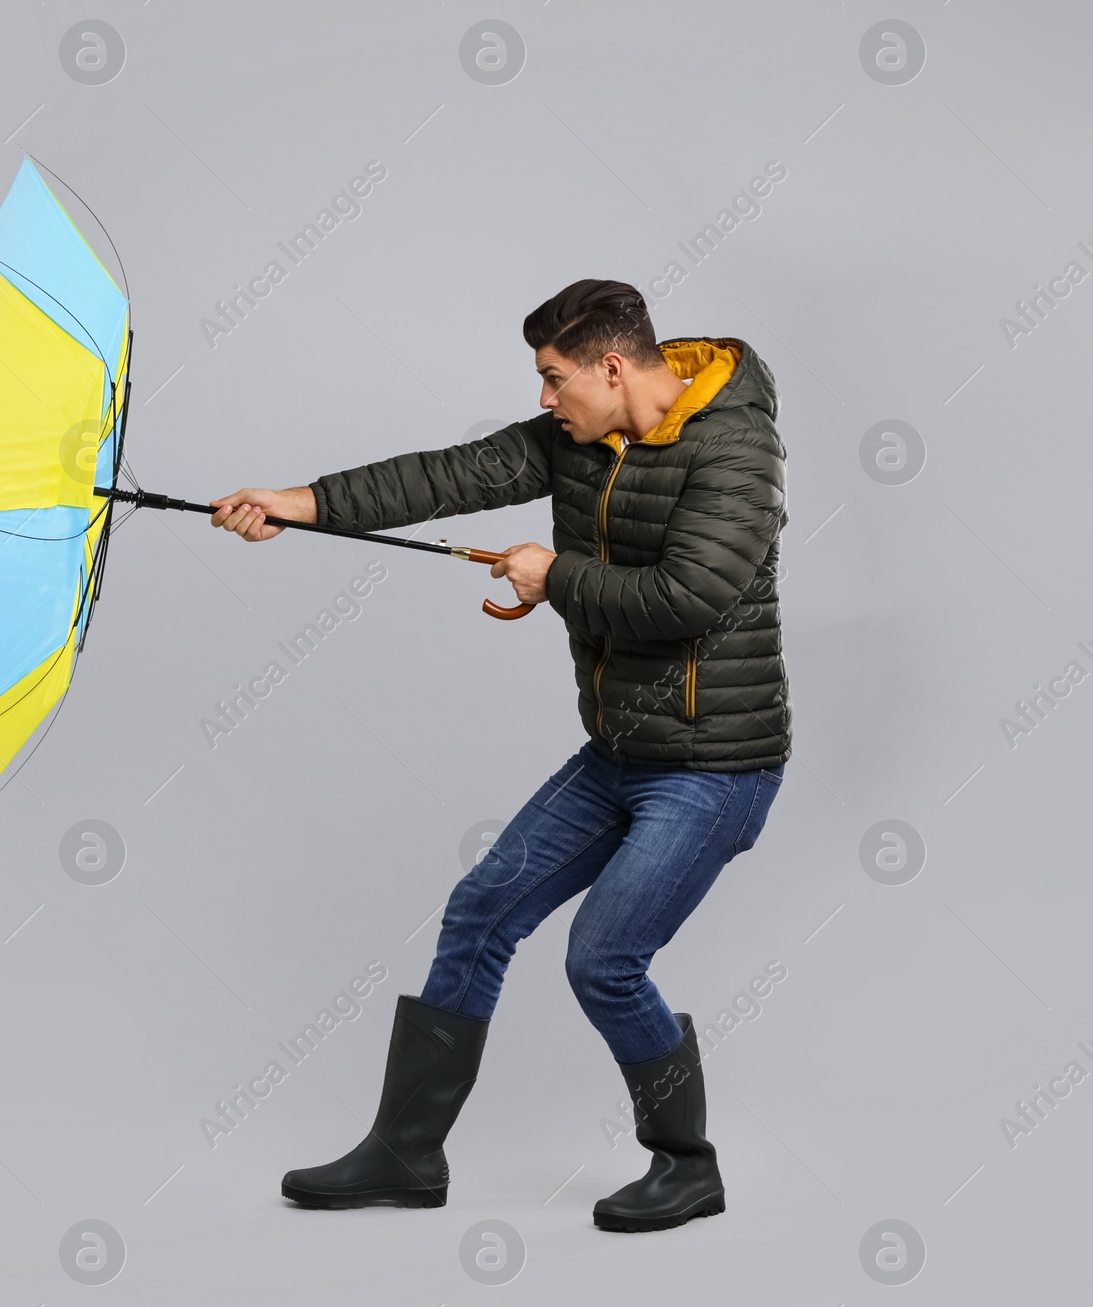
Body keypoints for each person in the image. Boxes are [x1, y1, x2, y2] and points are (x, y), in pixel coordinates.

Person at [208, 279, 791, 1232]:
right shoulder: (581, 435)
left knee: (603, 956)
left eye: (554, 379)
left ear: (612, 366)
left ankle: (688, 1162)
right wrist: (298, 504)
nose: (544, 400)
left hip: (717, 767)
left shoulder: (736, 446)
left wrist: (554, 574)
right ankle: (404, 1153)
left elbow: (691, 597)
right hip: (617, 752)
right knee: (480, 911)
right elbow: (447, 476)